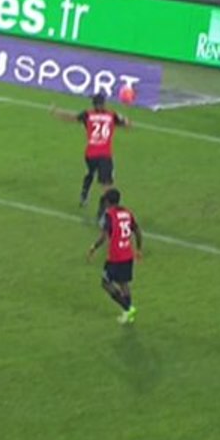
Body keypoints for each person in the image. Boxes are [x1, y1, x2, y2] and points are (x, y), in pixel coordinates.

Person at [53, 93, 129, 209]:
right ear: (104, 103)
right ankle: (105, 213)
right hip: (104, 154)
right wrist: (124, 119)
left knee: (91, 172)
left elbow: (71, 118)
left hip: (90, 154)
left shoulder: (87, 114)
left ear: (93, 104)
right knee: (107, 186)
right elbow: (127, 124)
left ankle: (84, 192)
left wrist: (57, 112)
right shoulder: (112, 115)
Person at [86, 188, 142, 325]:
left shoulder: (110, 215)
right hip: (128, 254)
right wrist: (139, 249)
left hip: (116, 257)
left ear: (107, 201)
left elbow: (104, 237)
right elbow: (138, 230)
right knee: (123, 283)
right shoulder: (128, 213)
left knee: (105, 283)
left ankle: (128, 308)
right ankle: (128, 315)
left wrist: (93, 247)